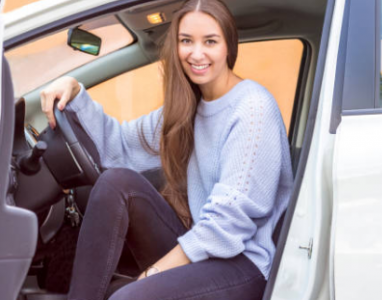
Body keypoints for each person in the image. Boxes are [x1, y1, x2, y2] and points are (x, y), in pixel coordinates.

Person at [39, 0, 293, 299]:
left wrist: (151, 274)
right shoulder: (189, 106)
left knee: (127, 297)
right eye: (186, 41)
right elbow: (118, 145)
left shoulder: (252, 107)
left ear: (228, 46)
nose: (196, 54)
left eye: (210, 41)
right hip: (204, 251)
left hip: (245, 264)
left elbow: (228, 224)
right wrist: (75, 90)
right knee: (116, 183)